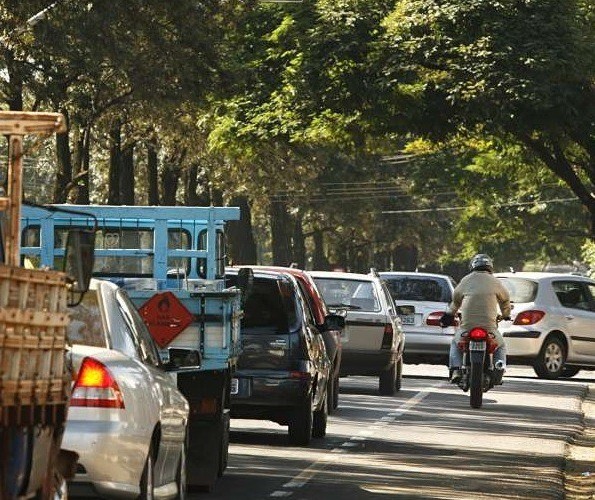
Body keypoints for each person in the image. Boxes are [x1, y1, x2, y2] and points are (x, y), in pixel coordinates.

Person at [441, 253, 511, 384]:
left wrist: (449, 315)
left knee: (455, 343)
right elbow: (505, 300)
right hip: (489, 328)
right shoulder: (496, 282)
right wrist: (506, 315)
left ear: (473, 266)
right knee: (500, 346)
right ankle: (499, 368)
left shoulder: (466, 280)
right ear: (490, 267)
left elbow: (455, 301)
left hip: (467, 327)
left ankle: (455, 369)